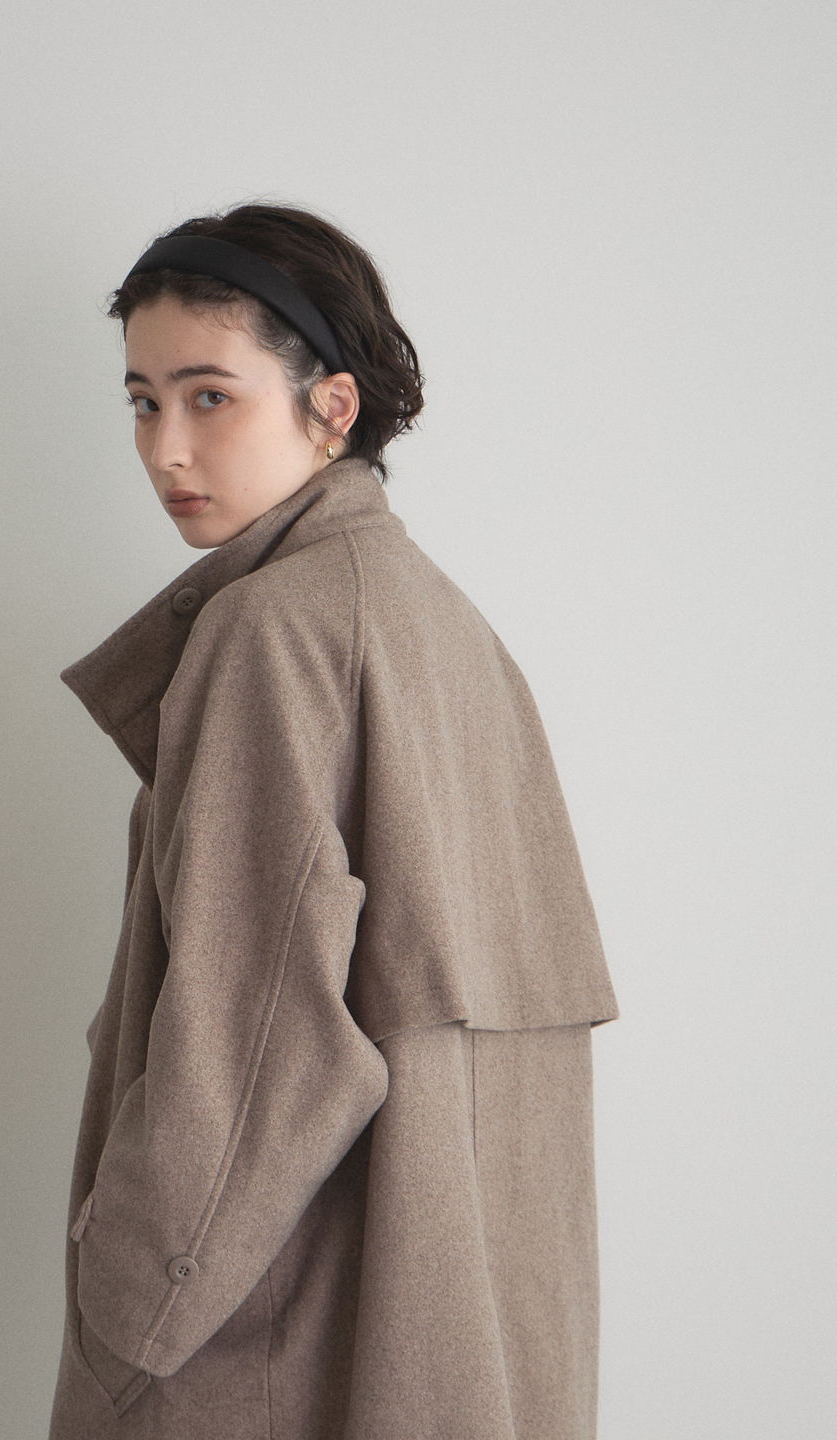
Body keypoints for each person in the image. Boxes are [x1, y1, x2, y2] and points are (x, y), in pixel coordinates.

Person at [47, 201, 619, 1440]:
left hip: (284, 1342)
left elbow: (253, 1043)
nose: (165, 448)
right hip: (468, 1344)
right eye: (142, 402)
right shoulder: (445, 627)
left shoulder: (272, 632)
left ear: (332, 407)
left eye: (210, 397)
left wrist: (123, 1314)